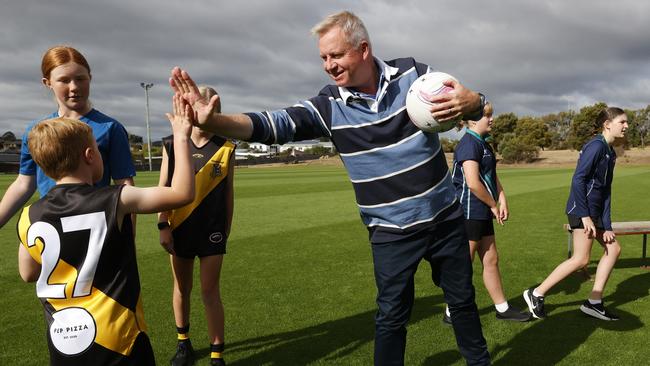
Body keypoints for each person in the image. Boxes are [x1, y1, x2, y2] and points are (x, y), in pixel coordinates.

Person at [170, 10, 490, 366]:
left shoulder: (414, 75)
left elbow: (474, 103)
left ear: (363, 49)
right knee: (391, 317)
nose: (328, 65)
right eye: (323, 57)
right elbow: (273, 124)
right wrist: (214, 121)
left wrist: (473, 100)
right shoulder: (329, 106)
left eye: (335, 55)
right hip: (391, 232)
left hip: (444, 218)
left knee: (462, 301)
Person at [16, 94, 195, 365]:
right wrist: (181, 137)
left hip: (65, 343)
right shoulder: (116, 199)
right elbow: (182, 193)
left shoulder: (29, 215)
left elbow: (28, 273)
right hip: (120, 341)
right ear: (90, 156)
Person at [0, 45, 135, 229]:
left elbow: (124, 185)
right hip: (48, 227)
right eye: (64, 80)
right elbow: (24, 184)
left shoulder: (111, 128)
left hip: (93, 228)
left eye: (80, 79)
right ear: (47, 83)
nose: (74, 87)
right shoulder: (36, 131)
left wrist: (128, 236)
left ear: (90, 78)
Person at [524, 107, 628, 321]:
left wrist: (606, 225)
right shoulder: (596, 146)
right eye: (622, 122)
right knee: (581, 259)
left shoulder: (610, 152)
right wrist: (585, 216)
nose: (626, 126)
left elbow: (606, 190)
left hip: (595, 213)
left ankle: (594, 302)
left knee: (613, 248)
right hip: (581, 210)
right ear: (607, 124)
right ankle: (536, 294)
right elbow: (578, 179)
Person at [158, 86, 236, 366]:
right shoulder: (172, 142)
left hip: (212, 230)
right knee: (182, 287)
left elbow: (229, 193)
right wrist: (162, 224)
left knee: (210, 291)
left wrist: (226, 229)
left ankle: (217, 355)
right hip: (179, 228)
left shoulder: (226, 146)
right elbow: (163, 186)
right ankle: (184, 344)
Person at [446, 102, 531, 324]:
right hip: (468, 210)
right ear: (473, 120)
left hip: (482, 209)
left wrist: (502, 199)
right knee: (465, 261)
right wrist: (493, 205)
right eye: (487, 116)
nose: (492, 119)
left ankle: (502, 307)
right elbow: (473, 183)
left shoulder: (484, 144)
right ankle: (452, 311)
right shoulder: (468, 144)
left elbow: (491, 176)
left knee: (491, 258)